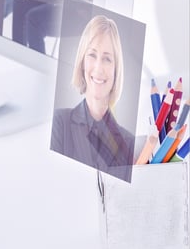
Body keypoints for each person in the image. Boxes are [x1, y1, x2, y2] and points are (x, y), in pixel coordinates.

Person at [50, 15, 135, 177]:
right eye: (92, 55)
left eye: (107, 59)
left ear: (116, 70)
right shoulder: (60, 122)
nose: (98, 67)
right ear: (82, 61)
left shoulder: (128, 143)